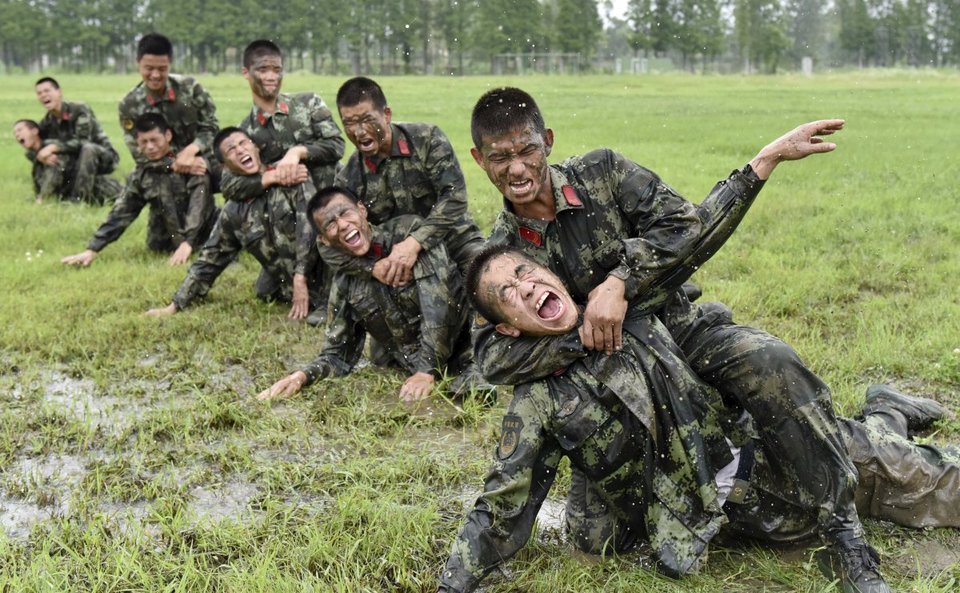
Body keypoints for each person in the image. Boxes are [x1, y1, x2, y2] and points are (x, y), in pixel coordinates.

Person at [467, 87, 888, 593]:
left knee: (769, 361)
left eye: (526, 149)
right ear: (479, 160)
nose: (516, 168)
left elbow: (685, 226)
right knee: (598, 540)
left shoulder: (601, 173)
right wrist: (587, 333)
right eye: (500, 157)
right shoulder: (501, 260)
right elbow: (492, 354)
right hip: (616, 383)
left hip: (682, 330)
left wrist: (620, 282)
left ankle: (845, 533)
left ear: (547, 141)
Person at [438, 246, 957, 593]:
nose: (526, 288)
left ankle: (886, 411)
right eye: (508, 294)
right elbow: (499, 503)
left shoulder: (636, 308)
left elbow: (711, 304)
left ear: (551, 272)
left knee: (937, 489)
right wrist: (450, 586)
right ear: (506, 330)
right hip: (748, 511)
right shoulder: (538, 400)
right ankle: (886, 408)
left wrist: (761, 165)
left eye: (526, 272)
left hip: (794, 451)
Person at [257, 186, 490, 403]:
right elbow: (337, 353)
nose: (342, 225)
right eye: (330, 224)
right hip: (413, 362)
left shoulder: (408, 236)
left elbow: (438, 305)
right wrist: (301, 377)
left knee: (476, 388)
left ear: (362, 210)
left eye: (345, 213)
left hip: (464, 346)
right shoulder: (345, 282)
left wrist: (426, 370)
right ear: (324, 240)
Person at [145, 127, 322, 320]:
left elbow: (312, 229)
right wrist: (174, 306)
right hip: (288, 281)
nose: (240, 150)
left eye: (243, 143)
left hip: (319, 269)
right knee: (264, 290)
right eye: (231, 149)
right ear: (226, 167)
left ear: (255, 148)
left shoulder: (290, 176)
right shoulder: (233, 212)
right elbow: (209, 260)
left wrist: (300, 275)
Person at [332, 76, 484, 287]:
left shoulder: (427, 139)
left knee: (487, 276)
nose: (359, 132)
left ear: (386, 115)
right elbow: (327, 241)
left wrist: (415, 243)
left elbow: (455, 197)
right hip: (396, 259)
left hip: (452, 239)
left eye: (367, 119)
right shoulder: (349, 178)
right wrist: (372, 269)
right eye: (349, 123)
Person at [60, 113, 217, 268]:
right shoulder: (142, 174)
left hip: (204, 234)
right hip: (164, 242)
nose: (149, 147)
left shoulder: (192, 163)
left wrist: (188, 242)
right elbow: (122, 212)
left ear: (168, 136)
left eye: (154, 140)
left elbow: (199, 205)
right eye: (144, 142)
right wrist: (92, 249)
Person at [219, 39, 344, 205]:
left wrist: (298, 152)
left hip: (331, 203)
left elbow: (337, 145)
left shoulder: (308, 103)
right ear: (246, 73)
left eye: (277, 70)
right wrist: (272, 176)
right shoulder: (244, 133)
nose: (271, 77)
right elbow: (228, 185)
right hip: (286, 216)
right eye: (263, 70)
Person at [118, 33, 220, 184]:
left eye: (162, 69)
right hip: (160, 167)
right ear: (138, 63)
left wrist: (191, 151)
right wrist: (175, 163)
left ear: (170, 63)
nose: (155, 75)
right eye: (149, 68)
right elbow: (139, 153)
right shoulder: (129, 105)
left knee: (233, 175)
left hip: (200, 159)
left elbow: (211, 127)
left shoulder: (190, 89)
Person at [32, 77, 122, 205]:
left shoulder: (79, 110)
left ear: (59, 92)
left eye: (47, 91)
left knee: (88, 149)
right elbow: (37, 146)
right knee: (53, 158)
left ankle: (79, 200)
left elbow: (83, 141)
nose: (43, 95)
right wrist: (41, 156)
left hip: (103, 157)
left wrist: (54, 147)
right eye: (39, 93)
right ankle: (48, 195)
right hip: (78, 162)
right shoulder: (47, 121)